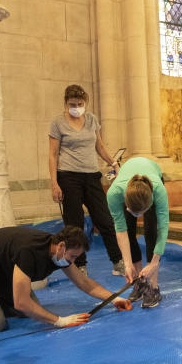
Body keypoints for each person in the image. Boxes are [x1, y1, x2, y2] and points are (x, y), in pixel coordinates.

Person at [0, 225, 131, 335]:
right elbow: (21, 302)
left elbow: (84, 282)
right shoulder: (30, 252)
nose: (73, 262)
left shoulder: (58, 254)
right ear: (61, 246)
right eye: (72, 257)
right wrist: (59, 321)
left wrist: (113, 299)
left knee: (32, 311)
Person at [48, 84, 125, 275]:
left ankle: (117, 261)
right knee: (75, 224)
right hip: (68, 177)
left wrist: (113, 163)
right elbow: (52, 154)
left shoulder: (91, 120)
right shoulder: (57, 123)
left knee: (105, 220)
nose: (76, 107)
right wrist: (54, 183)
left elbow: (99, 146)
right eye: (72, 104)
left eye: (80, 103)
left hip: (91, 176)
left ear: (85, 102)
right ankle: (80, 265)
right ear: (66, 103)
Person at [105, 157, 170, 308]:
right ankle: (140, 282)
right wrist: (127, 264)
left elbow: (163, 228)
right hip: (127, 182)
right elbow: (121, 231)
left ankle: (153, 287)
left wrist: (154, 263)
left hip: (152, 178)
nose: (137, 215)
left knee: (151, 230)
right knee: (129, 227)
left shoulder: (159, 191)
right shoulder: (114, 194)